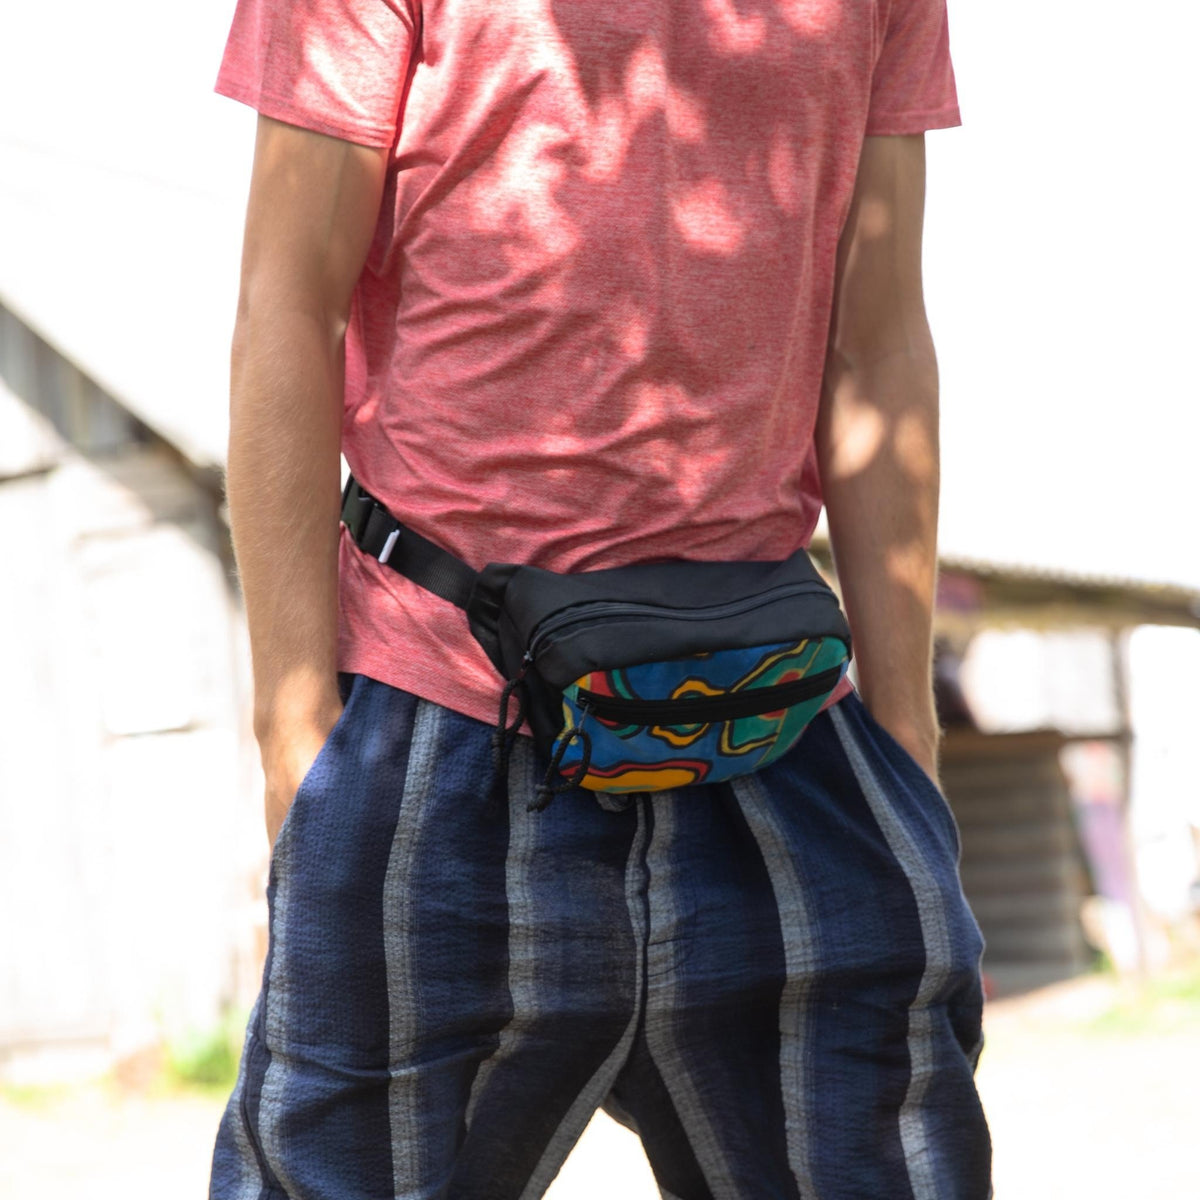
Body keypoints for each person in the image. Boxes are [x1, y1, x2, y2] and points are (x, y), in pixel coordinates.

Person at [208, 0, 992, 1196]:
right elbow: (287, 305)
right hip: (442, 715)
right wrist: (293, 738)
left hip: (779, 723)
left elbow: (876, 344)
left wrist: (906, 743)